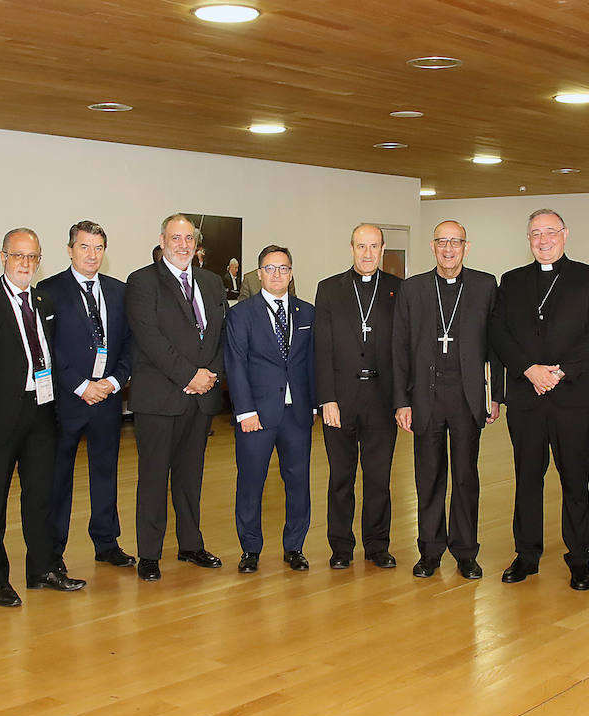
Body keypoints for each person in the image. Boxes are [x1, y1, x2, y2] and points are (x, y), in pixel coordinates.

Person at [0, 228, 86, 607]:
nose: (25, 264)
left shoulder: (43, 301)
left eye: (33, 258)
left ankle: (41, 568)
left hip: (41, 413)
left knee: (40, 496)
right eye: (18, 256)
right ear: (3, 257)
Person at [490, 209, 589, 590]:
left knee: (575, 479)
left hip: (570, 396)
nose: (543, 240)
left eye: (550, 232)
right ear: (528, 239)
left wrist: (559, 372)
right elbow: (499, 333)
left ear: (564, 234)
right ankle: (527, 555)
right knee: (527, 479)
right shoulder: (511, 281)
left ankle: (579, 559)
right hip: (526, 397)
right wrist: (529, 369)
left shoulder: (588, 278)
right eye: (535, 234)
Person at [394, 221, 505, 579]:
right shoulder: (413, 289)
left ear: (466, 247)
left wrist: (496, 395)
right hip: (425, 396)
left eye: (455, 242)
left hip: (467, 396)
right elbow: (399, 349)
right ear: (432, 246)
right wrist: (402, 401)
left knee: (465, 477)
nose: (448, 248)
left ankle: (465, 551)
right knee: (428, 477)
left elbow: (497, 346)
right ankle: (429, 550)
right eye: (442, 241)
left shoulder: (485, 285)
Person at [124, 214, 228, 582]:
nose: (182, 244)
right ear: (162, 240)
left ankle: (191, 544)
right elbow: (150, 339)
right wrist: (189, 376)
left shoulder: (213, 282)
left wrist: (209, 374)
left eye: (188, 238)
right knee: (154, 478)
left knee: (190, 477)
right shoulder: (142, 282)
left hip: (201, 399)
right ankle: (149, 554)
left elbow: (219, 333)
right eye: (175, 237)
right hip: (160, 398)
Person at [36, 221, 135, 573]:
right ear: (69, 249)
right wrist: (81, 385)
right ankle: (53, 553)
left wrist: (113, 381)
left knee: (106, 472)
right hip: (67, 399)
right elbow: (48, 348)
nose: (92, 255)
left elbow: (128, 344)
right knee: (58, 478)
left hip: (107, 397)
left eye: (98, 248)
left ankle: (106, 542)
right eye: (84, 247)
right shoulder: (48, 290)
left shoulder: (119, 291)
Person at [314, 224, 401, 570]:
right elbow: (321, 350)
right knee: (340, 477)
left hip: (382, 399)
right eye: (361, 246)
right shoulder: (330, 289)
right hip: (341, 399)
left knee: (379, 479)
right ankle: (341, 547)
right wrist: (326, 398)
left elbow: (404, 349)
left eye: (374, 247)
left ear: (383, 250)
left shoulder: (399, 290)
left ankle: (378, 545)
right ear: (351, 248)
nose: (367, 253)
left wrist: (402, 400)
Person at [225, 245, 316, 573]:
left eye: (284, 268)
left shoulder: (307, 313)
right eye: (270, 268)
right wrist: (245, 411)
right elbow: (235, 365)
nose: (277, 274)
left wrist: (316, 405)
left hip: (297, 414)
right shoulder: (240, 315)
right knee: (251, 482)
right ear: (259, 273)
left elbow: (313, 363)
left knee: (298, 482)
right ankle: (250, 548)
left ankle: (295, 546)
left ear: (291, 274)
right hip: (257, 415)